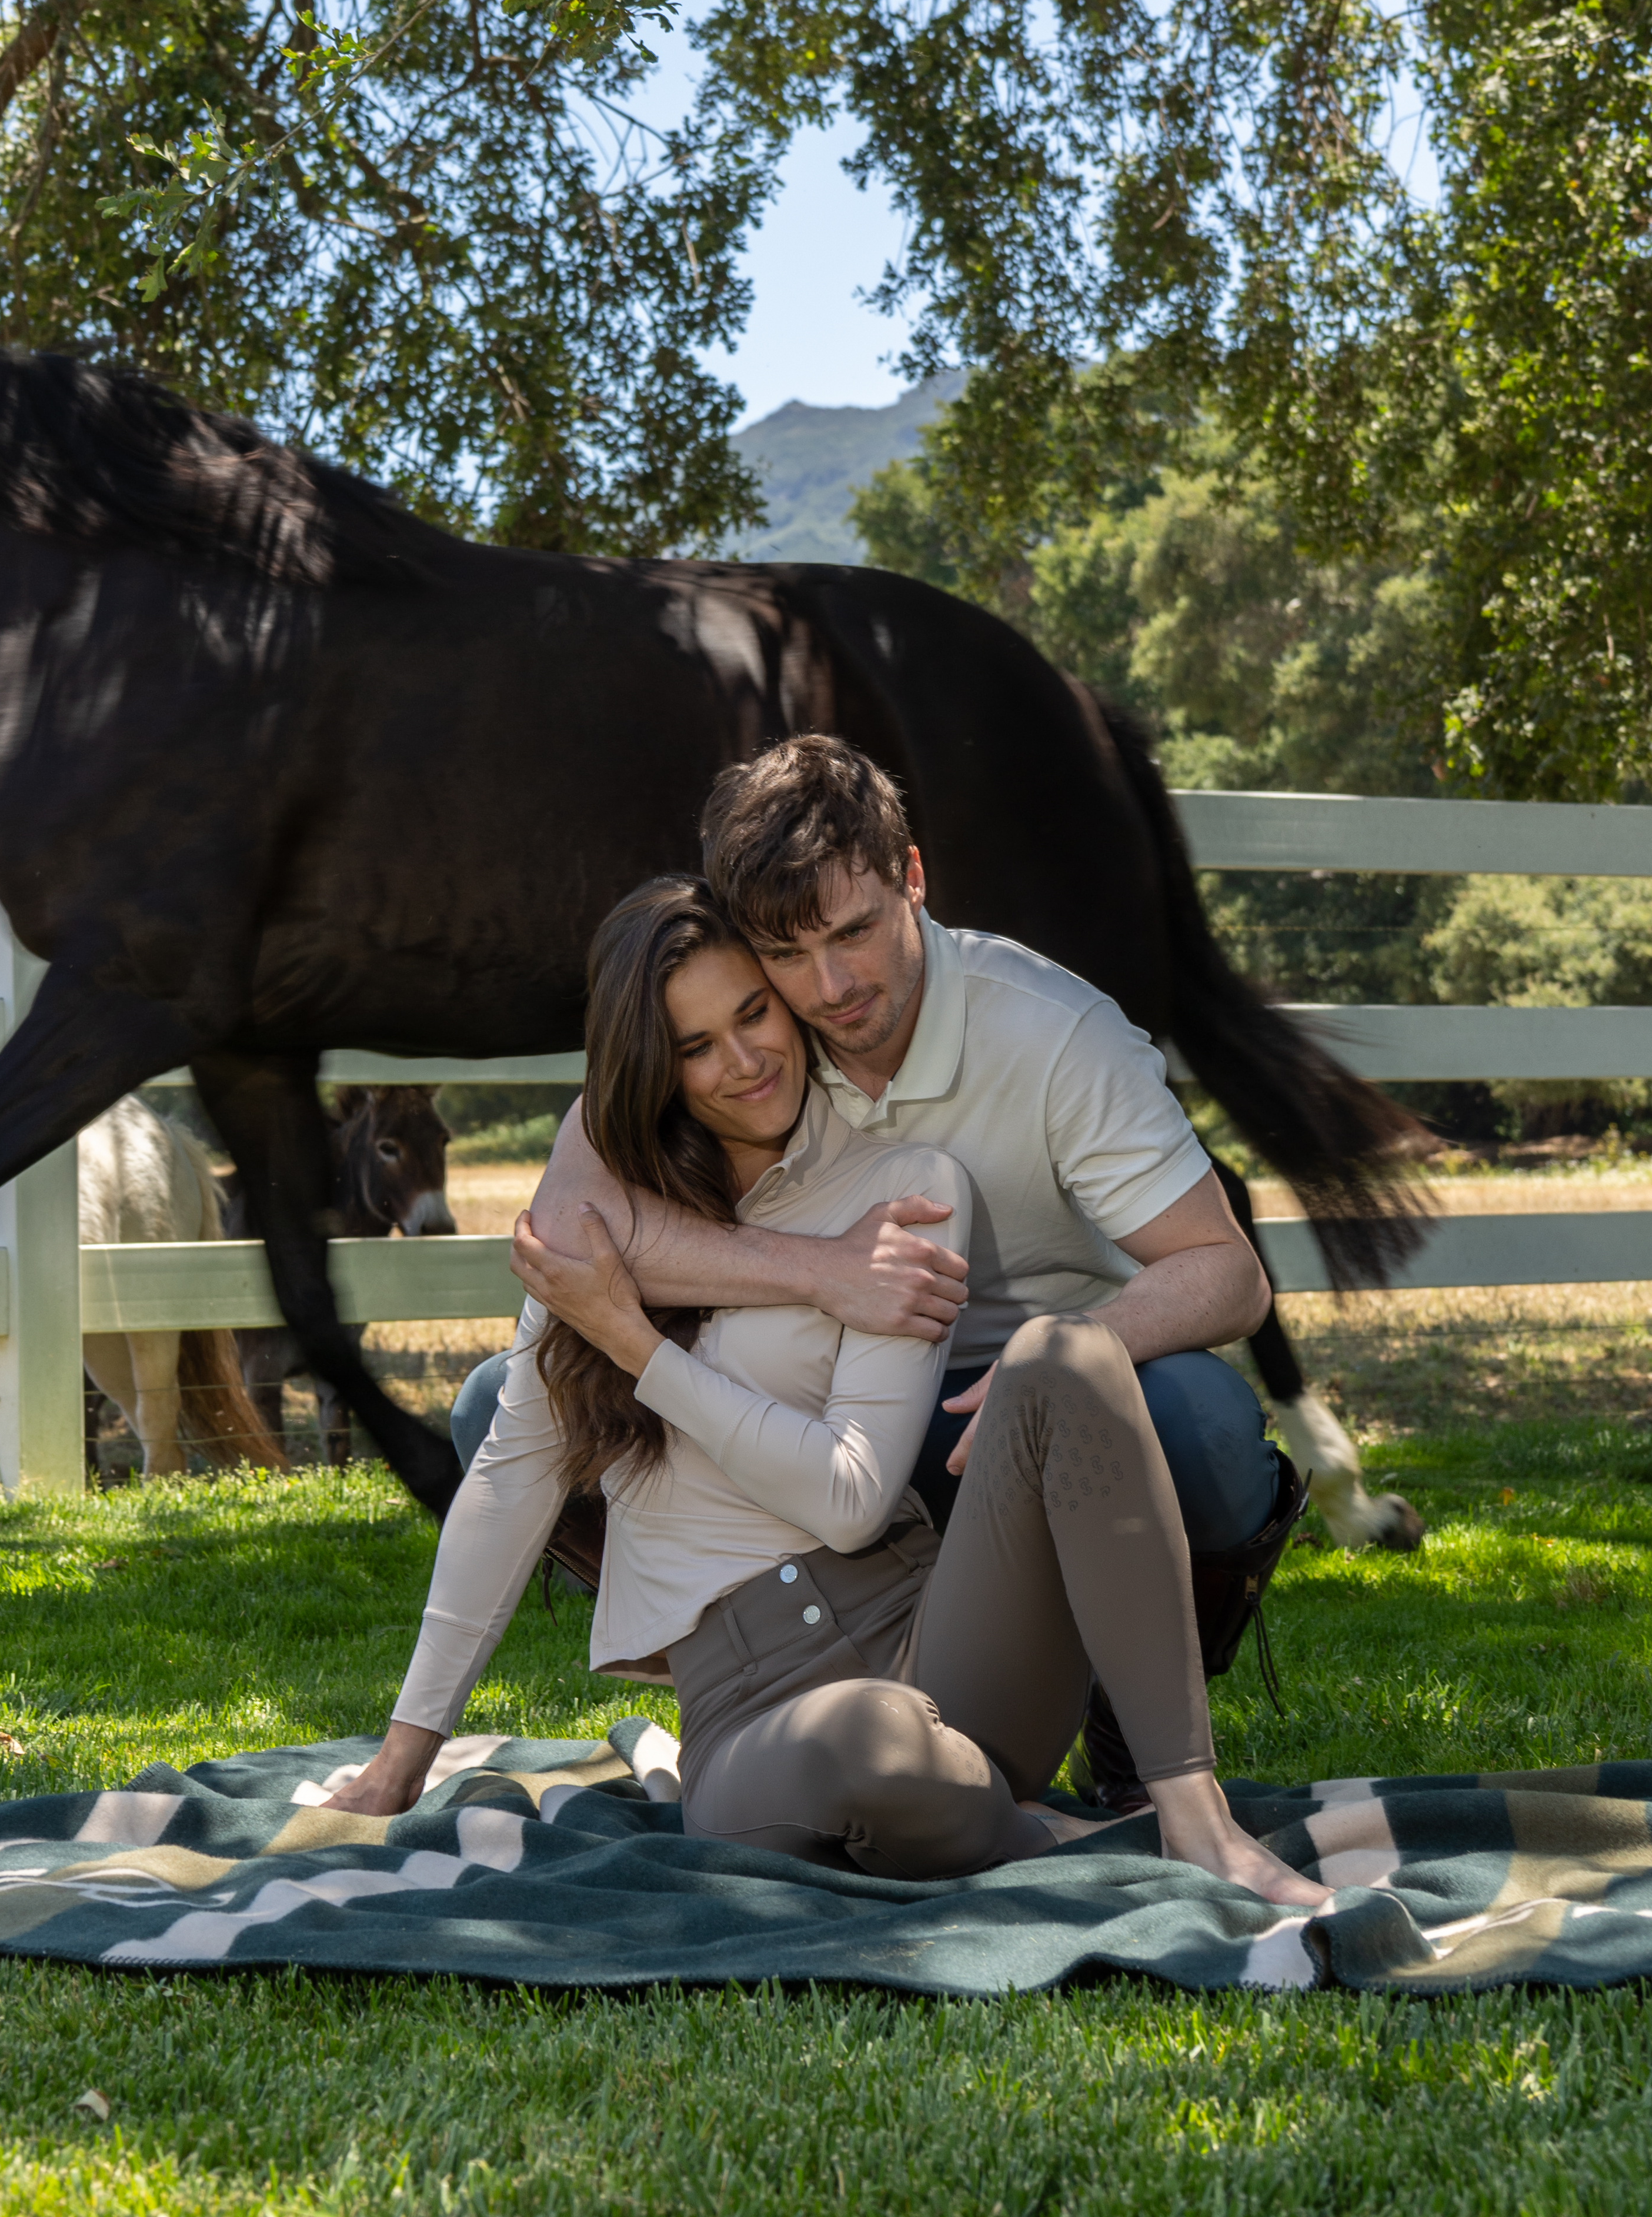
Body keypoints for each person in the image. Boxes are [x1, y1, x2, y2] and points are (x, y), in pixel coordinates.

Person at [335, 873, 1326, 1906]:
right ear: (649, 1066)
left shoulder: (907, 1192)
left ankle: (1193, 1821)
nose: (743, 1061)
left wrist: (641, 1348)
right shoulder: (596, 1224)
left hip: (931, 1631)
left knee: (1067, 1355)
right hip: (760, 1707)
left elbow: (852, 1502)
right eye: (694, 1046)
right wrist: (405, 1757)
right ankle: (1047, 1837)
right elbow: (511, 1479)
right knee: (875, 1746)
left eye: (753, 1013)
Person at [455, 735, 1303, 1809]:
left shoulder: (1056, 1035)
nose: (834, 986)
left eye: (856, 932)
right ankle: (747, 1691)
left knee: (1204, 1426)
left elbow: (1228, 1274)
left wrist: (1074, 1358)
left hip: (1024, 1407)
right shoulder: (750, 1032)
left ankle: (1127, 1728)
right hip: (827, 1394)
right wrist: (820, 1271)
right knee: (502, 1401)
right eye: (789, 955)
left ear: (913, 877)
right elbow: (567, 1227)